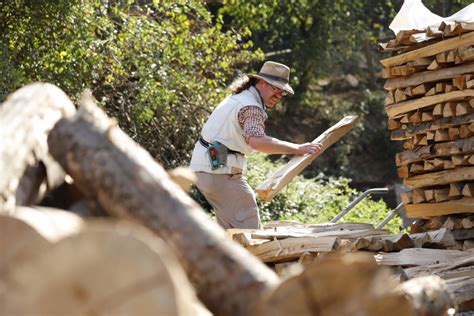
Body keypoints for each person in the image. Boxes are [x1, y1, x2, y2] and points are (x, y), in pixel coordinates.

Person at [190, 61, 323, 229]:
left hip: (206, 170)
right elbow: (257, 141)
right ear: (261, 82)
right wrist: (296, 148)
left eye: (282, 92)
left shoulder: (239, 98)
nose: (279, 95)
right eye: (275, 88)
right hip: (220, 174)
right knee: (250, 230)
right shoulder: (250, 107)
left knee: (230, 234)